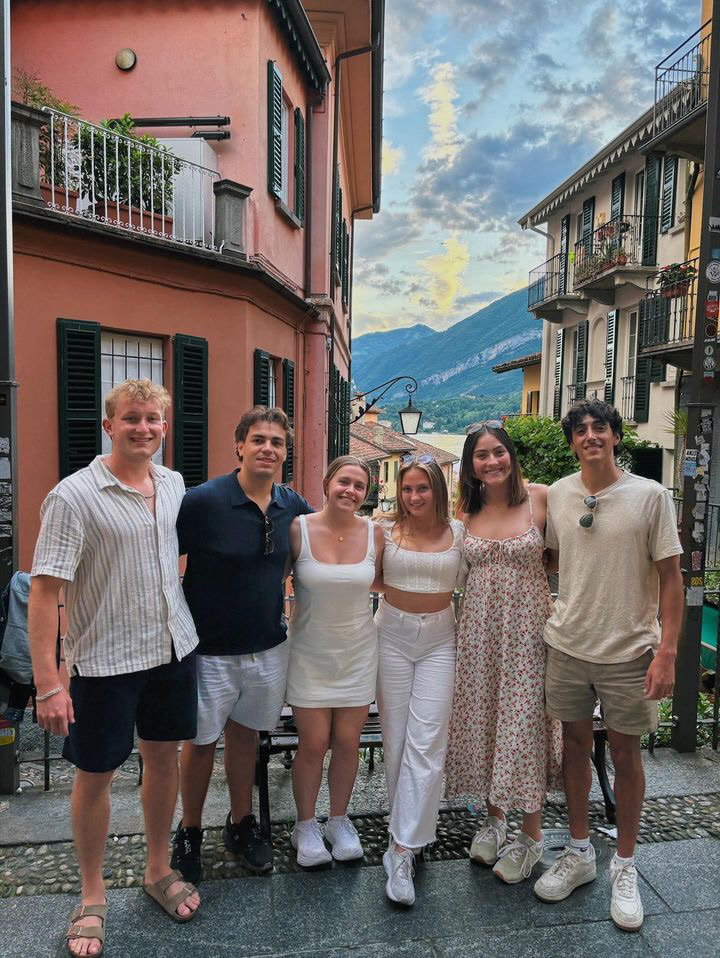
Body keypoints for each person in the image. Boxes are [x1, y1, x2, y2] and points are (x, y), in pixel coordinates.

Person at [29, 379, 200, 958]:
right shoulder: (74, 496)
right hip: (104, 659)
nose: (144, 428)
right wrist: (50, 681)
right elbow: (45, 590)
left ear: (164, 426)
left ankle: (156, 869)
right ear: (109, 425)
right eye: (131, 418)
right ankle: (92, 893)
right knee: (96, 774)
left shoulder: (174, 484)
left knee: (163, 760)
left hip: (173, 648)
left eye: (154, 419)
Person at [533, 399, 683, 932]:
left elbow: (671, 578)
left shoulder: (650, 496)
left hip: (629, 651)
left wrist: (666, 652)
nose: (590, 436)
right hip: (568, 645)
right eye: (580, 430)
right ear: (572, 441)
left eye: (600, 428)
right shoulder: (559, 494)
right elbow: (552, 559)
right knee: (573, 746)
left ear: (617, 437)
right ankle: (579, 852)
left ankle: (624, 865)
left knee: (626, 755)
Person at [171, 406, 312, 884]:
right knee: (198, 744)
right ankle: (189, 831)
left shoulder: (292, 505)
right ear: (240, 446)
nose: (268, 448)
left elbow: (334, 536)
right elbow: (158, 555)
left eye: (276, 441)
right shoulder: (204, 501)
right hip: (208, 649)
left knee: (245, 738)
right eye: (258, 439)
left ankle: (240, 822)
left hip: (268, 648)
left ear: (285, 452)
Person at [444, 421, 562, 886]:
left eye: (498, 452)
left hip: (530, 633)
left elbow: (563, 555)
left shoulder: (542, 498)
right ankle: (494, 821)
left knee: (525, 727)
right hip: (478, 634)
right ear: (470, 466)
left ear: (510, 454)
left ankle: (531, 838)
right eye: (481, 455)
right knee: (488, 719)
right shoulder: (465, 512)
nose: (491, 461)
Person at [375, 455, 465, 906]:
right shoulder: (383, 530)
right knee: (396, 738)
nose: (413, 496)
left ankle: (402, 848)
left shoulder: (460, 534)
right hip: (389, 634)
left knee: (428, 740)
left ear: (438, 490)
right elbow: (367, 579)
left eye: (422, 489)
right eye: (407, 489)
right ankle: (405, 829)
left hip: (439, 640)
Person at [286, 455, 384, 866]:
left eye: (359, 486)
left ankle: (338, 820)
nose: (350, 491)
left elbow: (396, 578)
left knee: (348, 742)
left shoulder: (377, 533)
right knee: (313, 742)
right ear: (327, 483)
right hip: (309, 652)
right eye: (344, 482)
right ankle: (305, 825)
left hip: (359, 652)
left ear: (366, 494)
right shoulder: (299, 530)